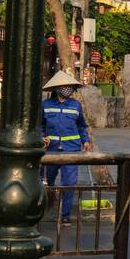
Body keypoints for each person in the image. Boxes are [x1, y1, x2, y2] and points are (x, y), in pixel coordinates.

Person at [40, 70, 94, 224]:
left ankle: (65, 216)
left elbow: (81, 125)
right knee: (48, 181)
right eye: (64, 86)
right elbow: (40, 125)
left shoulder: (76, 105)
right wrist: (41, 136)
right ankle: (48, 207)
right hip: (51, 150)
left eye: (70, 86)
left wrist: (85, 140)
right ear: (56, 88)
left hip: (72, 149)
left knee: (69, 183)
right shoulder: (46, 105)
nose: (67, 88)